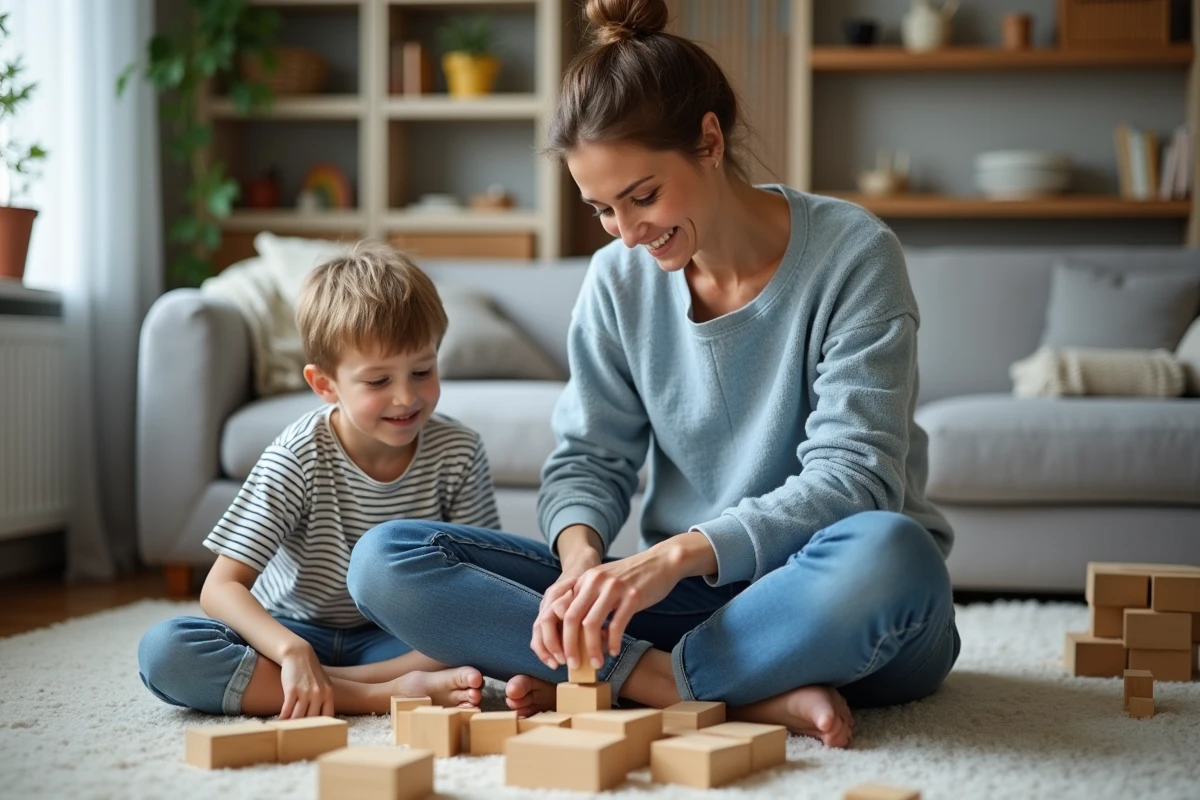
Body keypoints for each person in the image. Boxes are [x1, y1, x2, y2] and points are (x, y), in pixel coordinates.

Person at [346, 0, 960, 748]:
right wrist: (580, 567)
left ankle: (638, 677)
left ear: (708, 139)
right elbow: (588, 459)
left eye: (642, 196)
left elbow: (853, 480)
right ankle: (690, 687)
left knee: (895, 554)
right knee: (387, 560)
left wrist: (666, 560)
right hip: (686, 605)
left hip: (822, 598)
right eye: (602, 209)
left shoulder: (853, 255)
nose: (629, 233)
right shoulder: (617, 280)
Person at [137, 242, 496, 718]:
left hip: (396, 638)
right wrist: (289, 652)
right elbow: (220, 588)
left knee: (484, 627)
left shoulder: (459, 450)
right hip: (291, 629)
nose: (407, 397)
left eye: (422, 371)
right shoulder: (298, 454)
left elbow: (480, 583)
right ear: (325, 385)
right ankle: (379, 694)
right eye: (377, 381)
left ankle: (327, 687)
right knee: (167, 651)